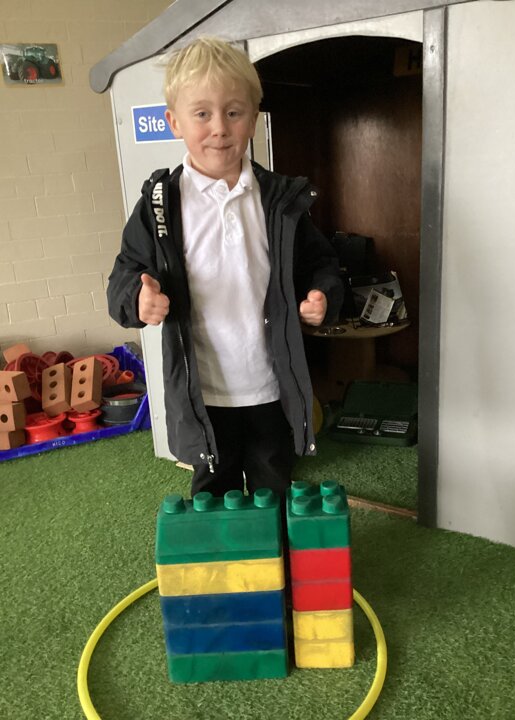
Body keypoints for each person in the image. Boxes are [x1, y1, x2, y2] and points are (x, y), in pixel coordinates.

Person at [107, 37, 343, 500]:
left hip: (271, 386)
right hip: (203, 395)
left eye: (233, 112)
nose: (219, 128)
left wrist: (323, 295)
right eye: (202, 114)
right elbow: (125, 274)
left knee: (274, 491)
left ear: (253, 120)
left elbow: (321, 264)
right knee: (213, 497)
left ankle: (272, 550)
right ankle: (220, 549)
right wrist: (137, 297)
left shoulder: (280, 200)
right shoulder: (160, 204)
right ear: (174, 122)